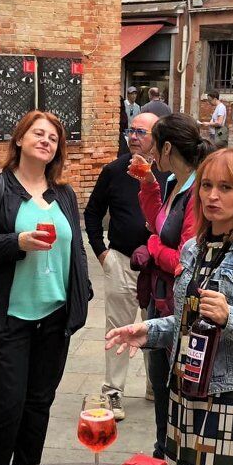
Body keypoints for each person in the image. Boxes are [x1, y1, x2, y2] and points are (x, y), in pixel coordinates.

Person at [108, 148, 233, 465]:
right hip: (185, 391)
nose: (212, 196)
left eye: (226, 188)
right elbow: (188, 320)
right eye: (207, 185)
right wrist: (150, 331)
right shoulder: (193, 249)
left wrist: (232, 319)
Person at [0, 110, 92, 465]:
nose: (46, 140)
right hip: (5, 319)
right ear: (18, 139)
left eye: (53, 138)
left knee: (38, 406)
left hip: (54, 319)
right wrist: (16, 243)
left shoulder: (63, 193)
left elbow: (75, 247)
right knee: (5, 408)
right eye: (38, 134)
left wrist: (83, 291)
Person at [133, 113, 212, 458]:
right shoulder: (172, 184)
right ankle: (161, 451)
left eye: (152, 143)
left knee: (174, 384)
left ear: (166, 147)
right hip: (160, 297)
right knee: (160, 380)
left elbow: (184, 259)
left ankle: (171, 456)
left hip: (180, 305)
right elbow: (157, 223)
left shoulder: (197, 191)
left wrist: (152, 247)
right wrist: (149, 183)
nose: (148, 150)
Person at [84, 111, 163, 421]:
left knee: (154, 327)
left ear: (157, 139)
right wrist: (101, 252)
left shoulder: (167, 175)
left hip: (157, 266)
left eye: (141, 132)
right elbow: (92, 213)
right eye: (131, 130)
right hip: (120, 259)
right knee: (117, 329)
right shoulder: (114, 171)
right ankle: (113, 391)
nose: (133, 136)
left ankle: (154, 385)